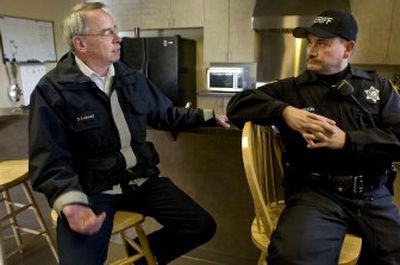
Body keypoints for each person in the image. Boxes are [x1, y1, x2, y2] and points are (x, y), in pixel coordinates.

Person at [28, 2, 230, 265]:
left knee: (201, 225)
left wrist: (207, 116)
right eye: (106, 33)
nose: (117, 38)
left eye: (115, 30)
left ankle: (140, 258)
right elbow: (49, 159)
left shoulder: (131, 78)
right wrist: (70, 202)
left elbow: (165, 113)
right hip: (93, 190)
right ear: (80, 44)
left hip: (140, 180)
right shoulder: (52, 90)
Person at [227, 9, 400, 265]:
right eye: (310, 43)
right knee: (293, 258)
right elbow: (237, 105)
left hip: (373, 193)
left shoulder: (377, 87)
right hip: (316, 195)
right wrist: (284, 112)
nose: (311, 51)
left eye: (322, 43)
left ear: (348, 49)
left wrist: (347, 141)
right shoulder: (290, 90)